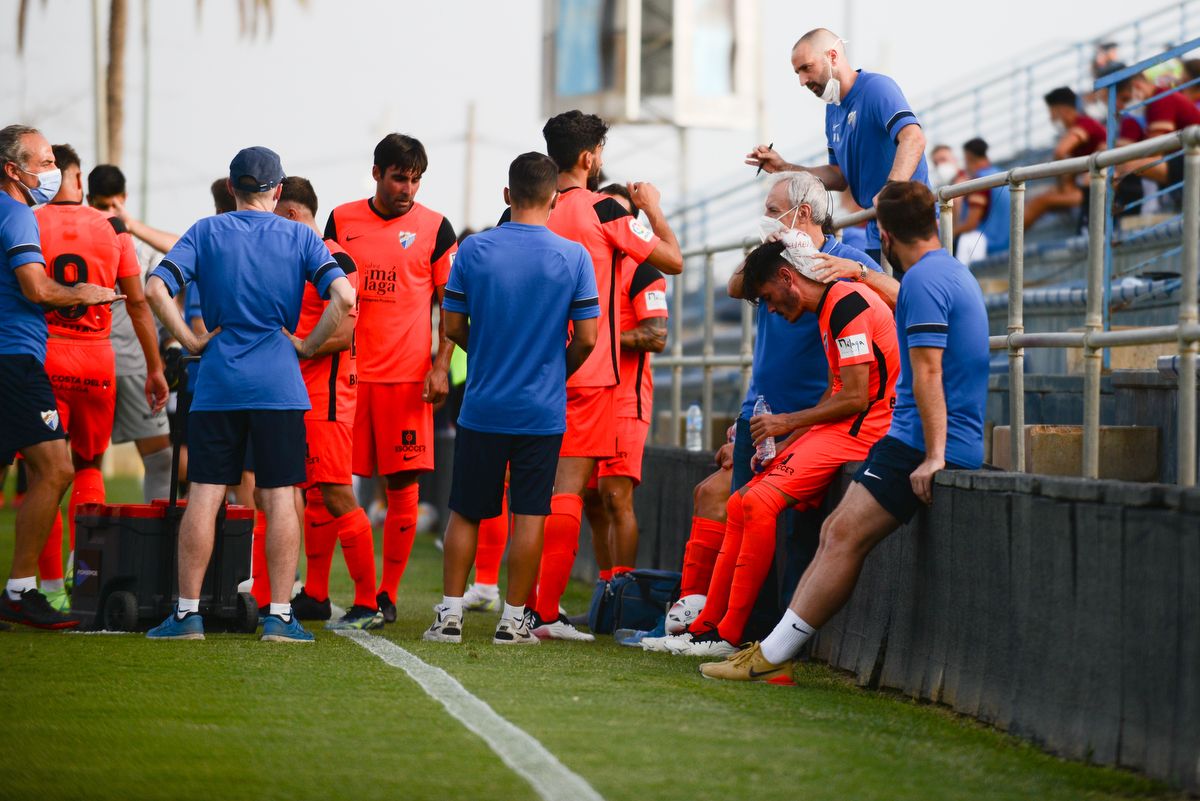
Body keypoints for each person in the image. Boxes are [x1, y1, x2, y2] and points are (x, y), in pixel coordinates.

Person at [699, 180, 989, 682]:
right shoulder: (946, 274)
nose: (772, 309)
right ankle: (760, 648)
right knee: (833, 532)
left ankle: (747, 645)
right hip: (904, 435)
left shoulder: (887, 291)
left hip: (908, 439)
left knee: (822, 530)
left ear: (884, 233)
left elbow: (922, 376)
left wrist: (936, 454)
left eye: (771, 298)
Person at [642, 172, 889, 653]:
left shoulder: (844, 283)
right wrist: (773, 248)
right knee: (739, 502)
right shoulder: (798, 284)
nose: (771, 309)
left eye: (775, 210)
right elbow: (740, 286)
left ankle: (753, 636)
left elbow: (859, 390)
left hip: (832, 417)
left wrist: (858, 272)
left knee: (779, 520)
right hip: (794, 412)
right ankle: (715, 627)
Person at [143, 146, 354, 642]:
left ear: (232, 188)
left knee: (205, 495)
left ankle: (188, 614)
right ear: (278, 190)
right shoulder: (300, 235)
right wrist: (307, 344)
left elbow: (155, 288)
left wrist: (192, 340)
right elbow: (344, 296)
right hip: (280, 386)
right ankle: (279, 615)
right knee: (280, 497)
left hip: (217, 384)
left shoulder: (204, 231)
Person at [517, 110, 683, 641]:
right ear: (589, 158)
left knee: (526, 492)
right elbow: (671, 260)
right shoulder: (607, 208)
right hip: (589, 372)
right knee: (568, 490)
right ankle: (543, 613)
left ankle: (498, 605)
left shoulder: (523, 211)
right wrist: (653, 209)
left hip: (526, 370)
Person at [424, 152, 600, 645]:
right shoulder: (574, 257)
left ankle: (450, 615)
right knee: (530, 513)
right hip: (541, 409)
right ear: (555, 199)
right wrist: (553, 372)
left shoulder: (474, 251)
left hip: (483, 403)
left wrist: (483, 353)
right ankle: (515, 619)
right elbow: (586, 338)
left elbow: (452, 324)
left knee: (466, 510)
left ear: (507, 195)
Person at [325, 134, 457, 624]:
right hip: (348, 376)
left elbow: (453, 303)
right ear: (377, 172)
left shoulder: (437, 228)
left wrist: (441, 363)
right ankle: (317, 590)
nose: (408, 188)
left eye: (416, 179)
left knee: (402, 487)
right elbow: (325, 290)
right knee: (331, 481)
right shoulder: (340, 219)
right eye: (400, 177)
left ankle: (387, 594)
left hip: (406, 381)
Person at [32, 144, 167, 611]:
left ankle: (48, 590)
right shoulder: (111, 227)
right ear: (81, 177)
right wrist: (154, 367)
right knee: (89, 466)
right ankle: (84, 575)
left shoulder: (29, 221)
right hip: (96, 362)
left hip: (45, 356)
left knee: (43, 474)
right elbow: (138, 303)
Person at [0, 124, 122, 630]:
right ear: (13, 170)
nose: (51, 171)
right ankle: (21, 591)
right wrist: (85, 293)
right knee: (57, 469)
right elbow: (35, 288)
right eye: (44, 162)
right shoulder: (17, 216)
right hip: (15, 359)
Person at [273, 176, 382, 631]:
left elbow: (342, 334)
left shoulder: (336, 259)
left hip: (328, 397)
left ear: (295, 215)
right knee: (301, 494)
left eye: (276, 217)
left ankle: (368, 603)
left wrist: (295, 346)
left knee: (336, 493)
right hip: (292, 393)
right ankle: (313, 595)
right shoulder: (291, 257)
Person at [745, 28, 931, 266]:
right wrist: (784, 167)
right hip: (877, 228)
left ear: (832, 56)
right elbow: (839, 176)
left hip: (910, 221)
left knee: (912, 298)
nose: (802, 81)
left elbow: (913, 138)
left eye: (806, 68)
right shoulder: (832, 110)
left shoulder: (877, 88)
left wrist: (890, 192)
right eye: (797, 73)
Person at [580, 183, 668, 584]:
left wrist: (599, 337)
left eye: (620, 214)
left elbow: (656, 336)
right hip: (586, 397)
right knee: (591, 501)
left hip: (625, 403)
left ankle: (622, 594)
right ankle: (604, 588)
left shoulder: (643, 269)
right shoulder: (590, 267)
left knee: (616, 498)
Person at [85, 164, 173, 505]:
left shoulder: (141, 244)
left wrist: (130, 224)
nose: (108, 213)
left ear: (123, 200)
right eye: (101, 205)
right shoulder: (83, 240)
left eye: (113, 205)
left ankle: (154, 550)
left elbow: (181, 249)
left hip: (134, 366)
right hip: (95, 361)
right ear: (88, 200)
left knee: (160, 458)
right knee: (87, 462)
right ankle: (83, 557)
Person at [1112, 71, 1200, 210]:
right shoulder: (1156, 101)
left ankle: (1149, 209)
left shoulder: (1161, 99)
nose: (1123, 106)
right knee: (1122, 166)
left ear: (1137, 86)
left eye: (1125, 99)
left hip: (1193, 157)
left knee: (1128, 165)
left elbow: (1154, 151)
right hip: (1187, 157)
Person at [1023, 87, 1107, 230]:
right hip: (1089, 187)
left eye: (1051, 113)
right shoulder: (1080, 125)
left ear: (1061, 110)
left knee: (1040, 201)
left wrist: (1065, 186)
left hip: (1100, 188)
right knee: (1040, 196)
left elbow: (1061, 151)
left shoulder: (1084, 124)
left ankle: (1006, 242)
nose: (1051, 118)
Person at [955, 138, 1011, 265]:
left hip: (989, 244)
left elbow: (971, 224)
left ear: (969, 156)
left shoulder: (980, 181)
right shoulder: (1001, 174)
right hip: (1008, 241)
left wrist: (947, 233)